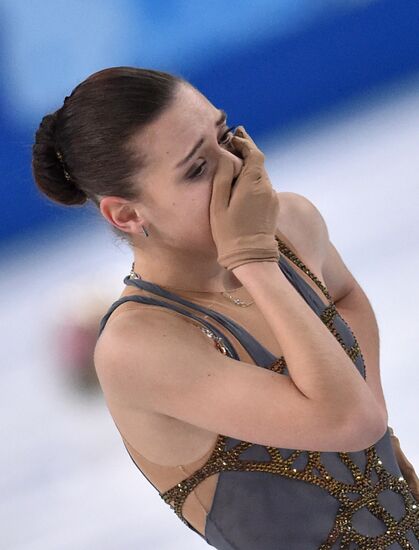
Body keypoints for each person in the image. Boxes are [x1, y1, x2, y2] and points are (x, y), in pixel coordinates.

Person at [32, 66, 419, 549]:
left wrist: (371, 400)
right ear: (127, 214)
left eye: (223, 135)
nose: (235, 167)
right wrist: (254, 261)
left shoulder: (291, 225)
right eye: (197, 169)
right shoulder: (139, 346)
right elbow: (351, 423)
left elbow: (343, 297)